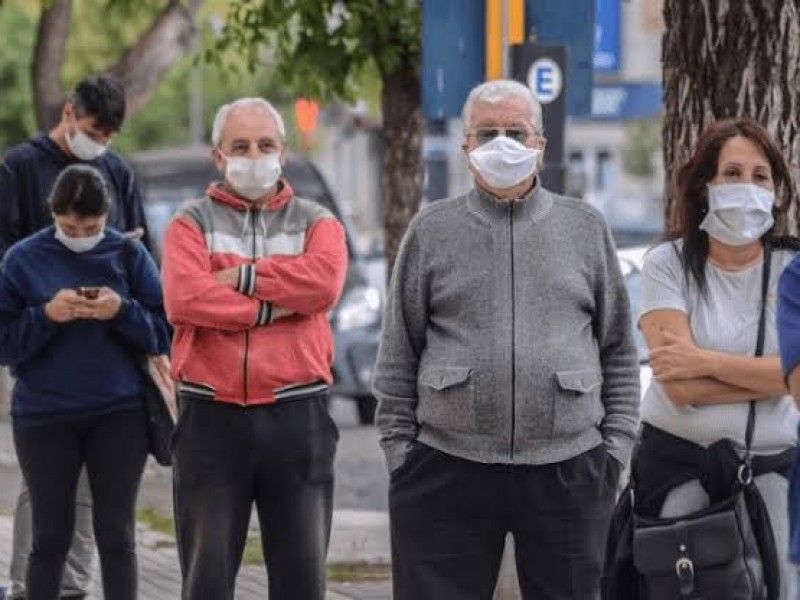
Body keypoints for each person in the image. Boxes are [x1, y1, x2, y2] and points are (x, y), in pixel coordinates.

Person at [373, 79, 640, 599]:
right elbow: (398, 354)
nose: (503, 143)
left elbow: (619, 351)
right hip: (446, 468)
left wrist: (613, 454)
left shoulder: (584, 229)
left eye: (516, 132)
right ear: (467, 146)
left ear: (541, 145)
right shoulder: (432, 230)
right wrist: (400, 456)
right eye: (488, 132)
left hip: (570, 469)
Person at [161, 97, 348, 599]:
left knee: (302, 580)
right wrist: (271, 308)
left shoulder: (317, 221)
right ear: (218, 157)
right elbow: (185, 299)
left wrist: (243, 277)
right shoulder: (189, 224)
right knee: (206, 580)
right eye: (239, 146)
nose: (254, 155)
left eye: (265, 145)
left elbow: (324, 285)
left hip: (298, 417)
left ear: (283, 151)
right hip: (211, 421)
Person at [0, 74, 150, 600]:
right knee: (45, 500)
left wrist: (117, 299)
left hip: (109, 372)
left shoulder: (118, 173)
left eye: (109, 137)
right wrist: (46, 300)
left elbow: (137, 255)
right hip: (42, 354)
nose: (100, 145)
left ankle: (73, 583)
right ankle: (26, 584)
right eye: (92, 131)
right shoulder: (19, 167)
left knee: (106, 510)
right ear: (68, 114)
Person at [635, 118, 799, 599]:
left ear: (775, 191)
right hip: (681, 483)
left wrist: (702, 360)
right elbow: (680, 388)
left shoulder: (792, 269)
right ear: (705, 185)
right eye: (731, 173)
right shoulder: (667, 263)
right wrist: (778, 375)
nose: (746, 187)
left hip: (776, 481)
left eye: (759, 176)